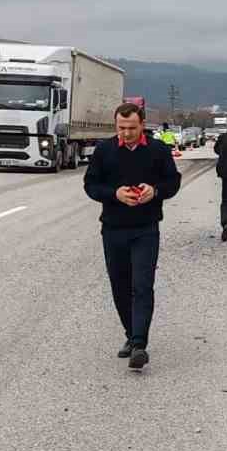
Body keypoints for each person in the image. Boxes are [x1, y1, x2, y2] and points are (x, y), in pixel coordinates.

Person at [84, 101, 181, 370]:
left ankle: (139, 344)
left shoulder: (158, 150)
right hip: (113, 228)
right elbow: (90, 185)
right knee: (120, 286)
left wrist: (156, 191)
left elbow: (173, 181)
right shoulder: (103, 151)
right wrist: (114, 194)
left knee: (142, 285)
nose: (126, 133)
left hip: (145, 228)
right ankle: (130, 334)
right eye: (121, 128)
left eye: (131, 128)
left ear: (142, 126)